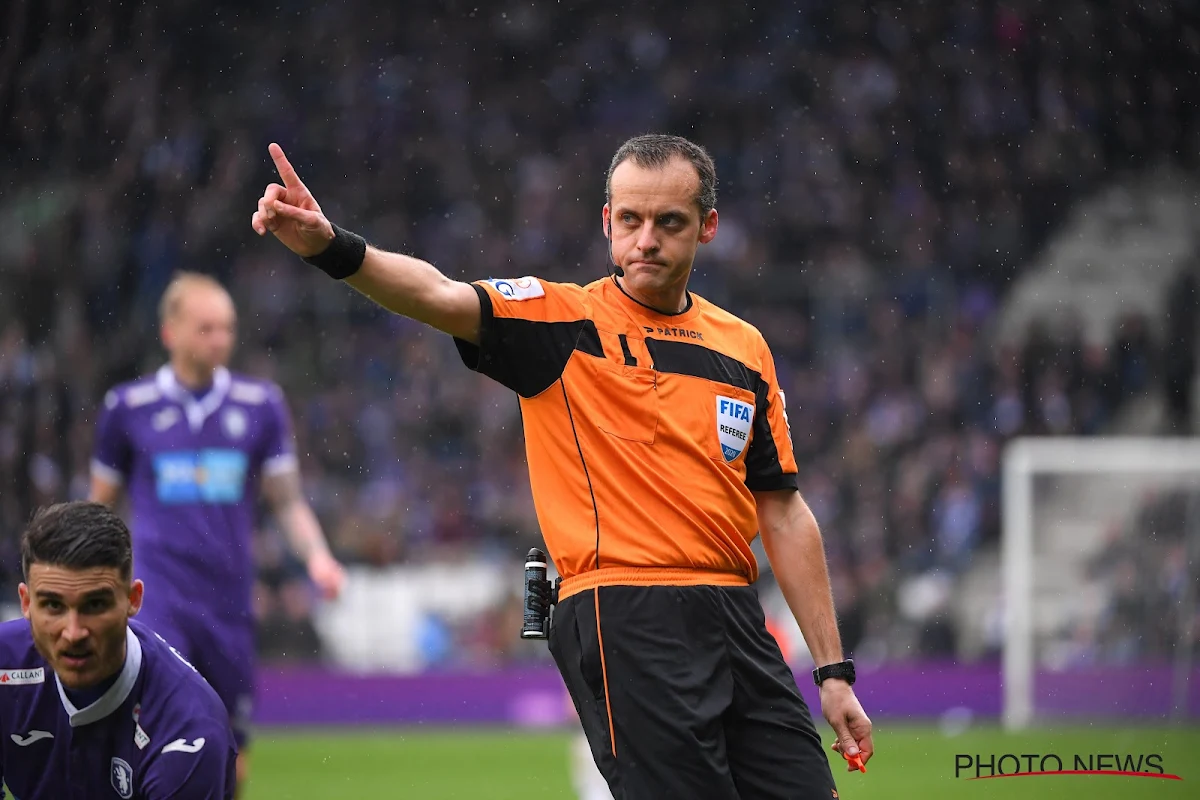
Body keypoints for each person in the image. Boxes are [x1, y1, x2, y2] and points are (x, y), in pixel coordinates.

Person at [252, 134, 873, 798]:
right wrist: (331, 247)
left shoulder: (744, 348)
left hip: (736, 615)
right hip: (624, 611)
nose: (646, 240)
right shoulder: (562, 322)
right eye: (630, 220)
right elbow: (437, 295)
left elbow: (783, 509)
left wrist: (833, 671)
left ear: (708, 228)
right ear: (607, 222)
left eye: (670, 223)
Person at [89, 272, 346, 795]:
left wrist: (319, 557)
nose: (220, 340)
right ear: (171, 333)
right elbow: (98, 509)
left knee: (232, 749)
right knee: (155, 735)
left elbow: (288, 499)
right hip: (158, 602)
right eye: (206, 329)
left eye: (226, 328)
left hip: (229, 604)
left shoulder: (260, 405)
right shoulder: (128, 409)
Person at [0, 501, 237, 799]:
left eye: (95, 605)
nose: (74, 633)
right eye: (53, 605)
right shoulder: (4, 667)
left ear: (133, 599)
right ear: (26, 603)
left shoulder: (187, 733)